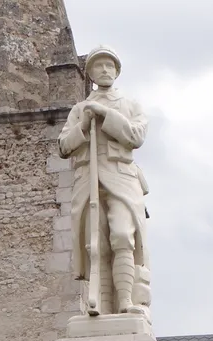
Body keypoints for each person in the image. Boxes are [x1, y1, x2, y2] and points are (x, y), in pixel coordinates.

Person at [58, 46, 151, 315]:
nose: (105, 70)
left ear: (117, 71)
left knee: (122, 236)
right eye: (99, 66)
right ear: (91, 73)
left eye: (110, 66)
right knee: (94, 244)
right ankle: (100, 304)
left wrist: (106, 115)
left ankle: (125, 303)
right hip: (89, 179)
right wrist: (84, 124)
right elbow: (63, 146)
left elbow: (136, 135)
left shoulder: (130, 105)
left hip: (121, 177)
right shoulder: (79, 109)